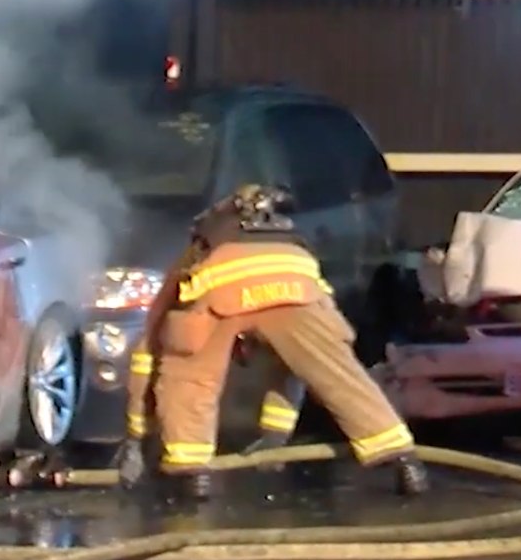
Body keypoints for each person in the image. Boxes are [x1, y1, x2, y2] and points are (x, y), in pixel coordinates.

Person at [118, 184, 431, 500]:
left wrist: (135, 439)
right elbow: (298, 366)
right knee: (339, 375)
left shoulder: (195, 256)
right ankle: (403, 461)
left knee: (190, 376)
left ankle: (191, 474)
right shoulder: (290, 245)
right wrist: (275, 435)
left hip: (220, 294)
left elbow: (148, 351)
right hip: (299, 287)